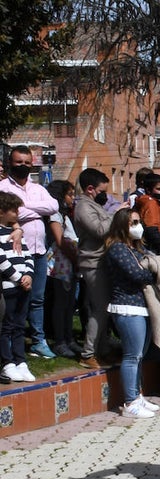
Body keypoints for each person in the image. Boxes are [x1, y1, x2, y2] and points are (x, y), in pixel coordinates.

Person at [0, 146, 59, 359]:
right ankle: (11, 342)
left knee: (37, 299)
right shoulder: (3, 187)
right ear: (10, 162)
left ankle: (38, 340)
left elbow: (53, 206)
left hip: (38, 251)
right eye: (19, 162)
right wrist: (34, 210)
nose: (23, 166)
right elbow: (18, 212)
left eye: (27, 163)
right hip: (13, 254)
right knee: (13, 299)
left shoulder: (38, 188)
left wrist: (26, 209)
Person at [105, 208, 160, 418]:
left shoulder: (136, 250)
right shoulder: (117, 249)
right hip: (127, 307)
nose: (138, 227)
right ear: (122, 226)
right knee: (132, 355)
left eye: (138, 222)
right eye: (133, 223)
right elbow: (137, 274)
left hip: (142, 306)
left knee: (140, 355)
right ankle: (129, 402)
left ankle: (138, 396)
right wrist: (154, 273)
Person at [74, 168, 120, 369]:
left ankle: (102, 349)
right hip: (93, 263)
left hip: (103, 261)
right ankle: (88, 353)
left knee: (105, 309)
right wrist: (116, 214)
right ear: (90, 189)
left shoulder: (93, 205)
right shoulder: (83, 207)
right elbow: (100, 230)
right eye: (102, 191)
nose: (105, 195)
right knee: (99, 309)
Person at [0, 192, 34, 382]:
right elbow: (1, 260)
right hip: (10, 285)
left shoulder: (15, 233)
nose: (17, 214)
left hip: (23, 285)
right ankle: (8, 362)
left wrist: (28, 274)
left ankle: (21, 360)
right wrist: (18, 277)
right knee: (7, 325)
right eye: (13, 210)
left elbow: (27, 254)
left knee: (20, 324)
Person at [45, 179, 80, 358]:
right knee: (60, 304)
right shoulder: (54, 215)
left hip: (70, 263)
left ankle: (69, 338)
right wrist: (74, 258)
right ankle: (60, 340)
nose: (72, 199)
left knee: (69, 304)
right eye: (69, 195)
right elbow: (61, 241)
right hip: (60, 264)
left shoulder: (66, 215)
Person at [133, 173, 160, 255]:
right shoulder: (151, 203)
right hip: (152, 246)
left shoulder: (153, 202)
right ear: (148, 190)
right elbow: (151, 229)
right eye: (158, 189)